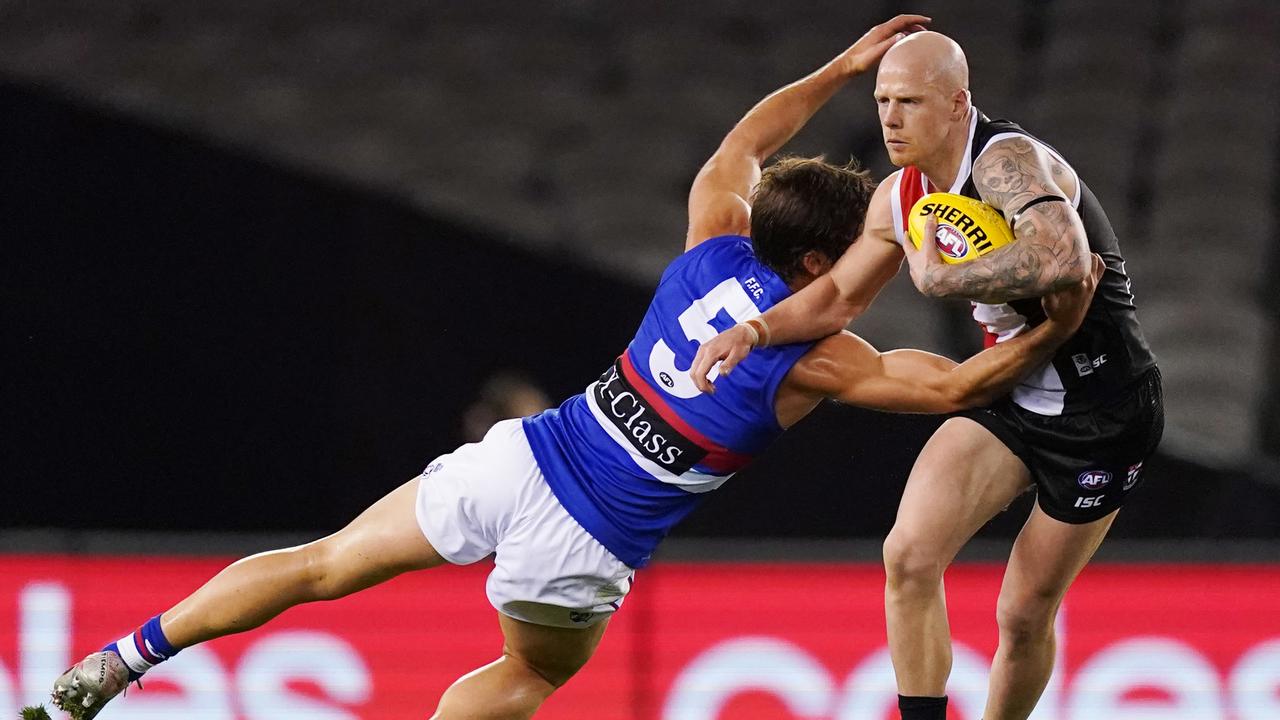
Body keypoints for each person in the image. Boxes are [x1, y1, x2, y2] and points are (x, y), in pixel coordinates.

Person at [46, 17, 1097, 720]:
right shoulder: (820, 356)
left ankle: (120, 662)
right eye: (864, 255)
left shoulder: (708, 241)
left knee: (320, 564)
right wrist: (1056, 319)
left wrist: (835, 72)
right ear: (821, 263)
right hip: (587, 538)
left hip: (520, 457)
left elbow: (740, 145)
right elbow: (957, 390)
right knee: (528, 670)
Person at [690, 30, 1162, 720]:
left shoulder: (1007, 165)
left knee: (1023, 612)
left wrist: (945, 277)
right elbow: (838, 297)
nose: (889, 118)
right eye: (883, 100)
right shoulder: (897, 196)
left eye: (909, 101)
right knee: (908, 556)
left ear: (956, 105)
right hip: (1010, 390)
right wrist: (754, 330)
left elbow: (1064, 259)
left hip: (1103, 408)